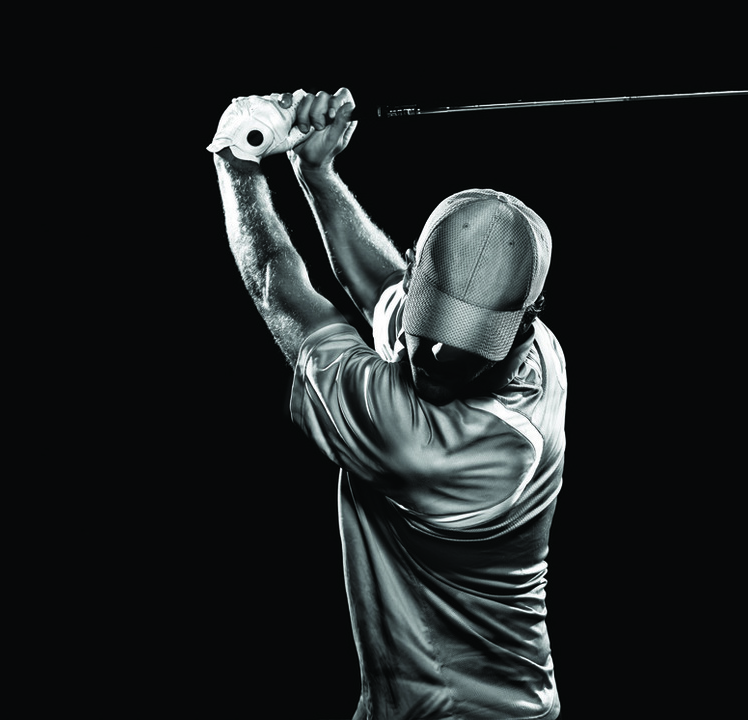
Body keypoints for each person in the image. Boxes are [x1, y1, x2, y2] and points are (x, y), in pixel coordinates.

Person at [209, 87, 567, 720]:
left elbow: (276, 289)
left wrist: (236, 159)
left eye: (465, 346)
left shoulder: (428, 445)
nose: (432, 359)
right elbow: (383, 291)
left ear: (523, 322)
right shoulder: (534, 348)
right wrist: (316, 173)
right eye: (432, 324)